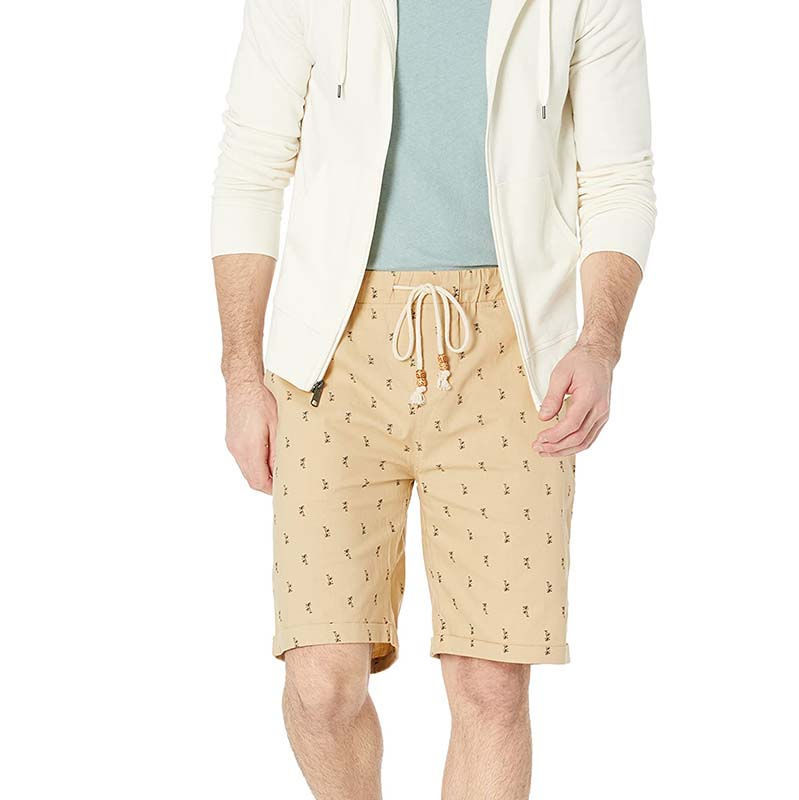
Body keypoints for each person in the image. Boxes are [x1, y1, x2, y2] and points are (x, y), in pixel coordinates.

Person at [211, 0, 655, 796]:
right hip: (330, 355)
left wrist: (599, 344)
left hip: (515, 354)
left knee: (491, 686)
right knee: (321, 684)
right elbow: (251, 166)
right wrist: (241, 375)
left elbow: (619, 177)